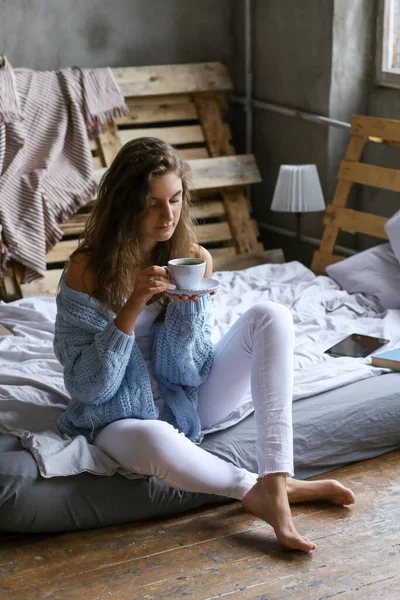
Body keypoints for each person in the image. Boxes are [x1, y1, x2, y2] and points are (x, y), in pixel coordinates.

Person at [54, 137, 355, 553]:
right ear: (126, 204)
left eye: (176, 199)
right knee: (157, 439)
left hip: (186, 399)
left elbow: (190, 370)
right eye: (153, 202)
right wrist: (132, 306)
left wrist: (188, 312)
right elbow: (89, 388)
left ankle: (276, 477)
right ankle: (267, 491)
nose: (168, 215)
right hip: (116, 417)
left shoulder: (193, 258)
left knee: (273, 315)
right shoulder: (86, 269)